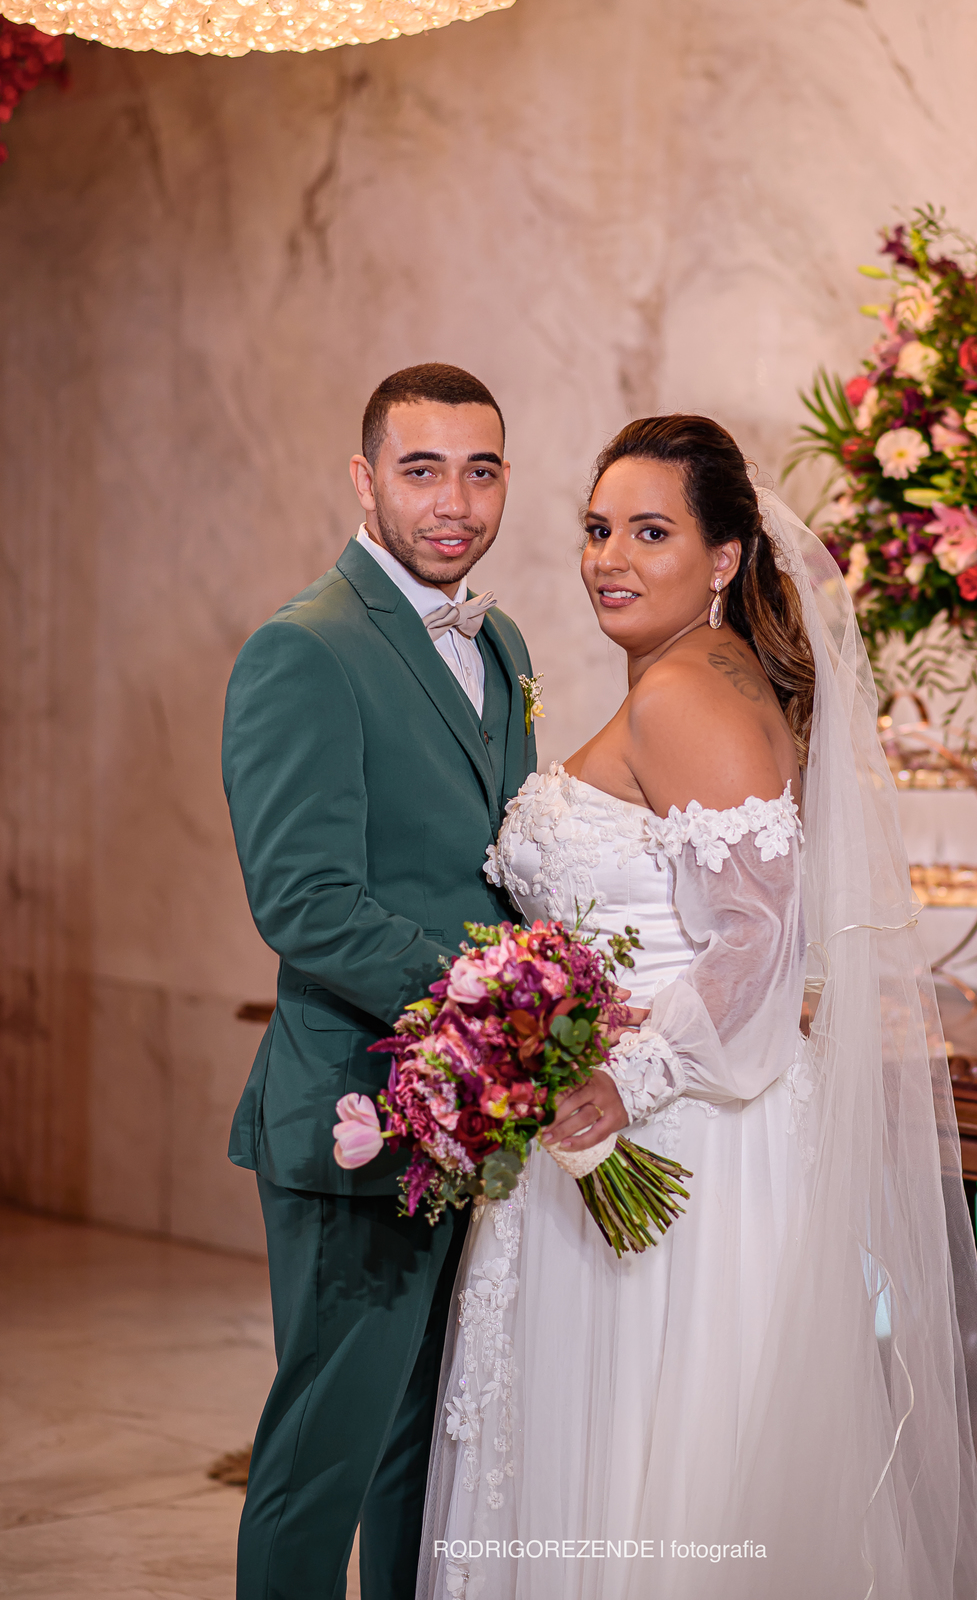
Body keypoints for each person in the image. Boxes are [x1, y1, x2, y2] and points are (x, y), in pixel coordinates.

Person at [418, 415, 977, 1598]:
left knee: (645, 1449)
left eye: (651, 533)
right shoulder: (704, 673)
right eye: (599, 529)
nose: (611, 559)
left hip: (672, 1133)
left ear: (726, 556)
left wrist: (617, 1081)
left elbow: (757, 937)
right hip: (671, 1119)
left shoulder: (685, 694)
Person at [222, 363, 539, 1600]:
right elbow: (303, 900)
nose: (454, 501)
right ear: (365, 480)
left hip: (477, 1118)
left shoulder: (499, 640)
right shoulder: (304, 648)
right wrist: (495, 1000)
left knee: (429, 1450)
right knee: (326, 1455)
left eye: (480, 469)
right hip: (356, 1108)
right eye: (422, 469)